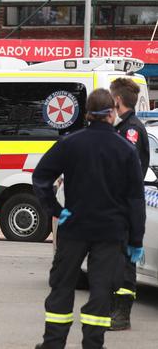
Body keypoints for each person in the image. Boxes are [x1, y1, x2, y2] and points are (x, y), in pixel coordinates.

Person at [32, 88, 145, 349]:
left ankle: (53, 343)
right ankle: (93, 344)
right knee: (101, 290)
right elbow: (135, 200)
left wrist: (56, 210)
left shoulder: (70, 143)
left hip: (74, 228)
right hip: (111, 232)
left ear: (87, 115)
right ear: (112, 113)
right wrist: (135, 239)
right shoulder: (125, 149)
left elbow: (41, 179)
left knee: (62, 286)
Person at [109, 77, 149, 331]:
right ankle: (114, 309)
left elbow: (127, 168)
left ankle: (122, 314)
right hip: (117, 206)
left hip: (124, 206)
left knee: (124, 265)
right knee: (115, 262)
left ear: (117, 100)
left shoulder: (131, 130)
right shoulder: (123, 128)